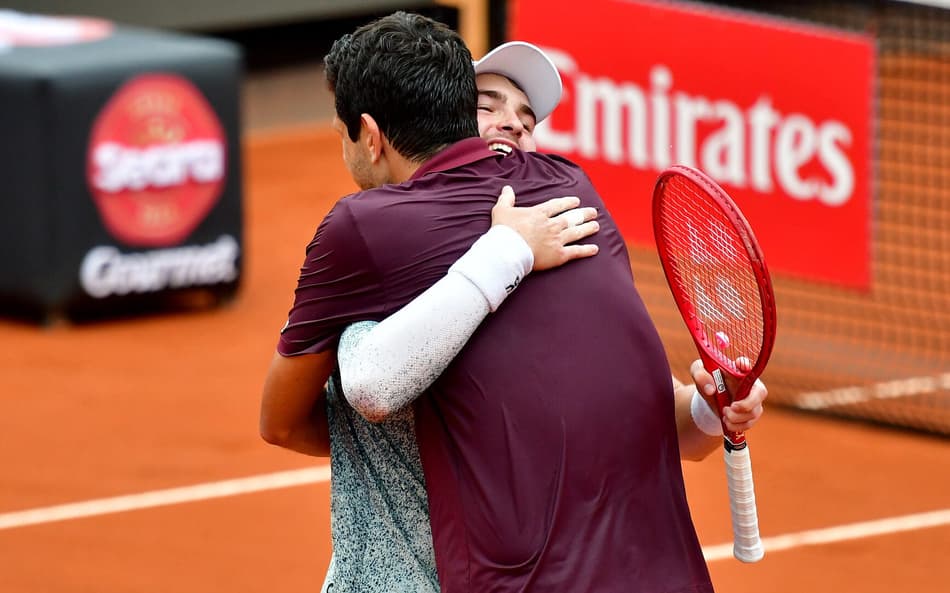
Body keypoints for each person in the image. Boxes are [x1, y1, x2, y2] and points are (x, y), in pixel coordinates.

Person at [261, 13, 764, 593]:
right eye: (487, 105)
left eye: (527, 120)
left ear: (370, 136)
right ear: (451, 116)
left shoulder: (559, 207)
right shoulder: (571, 192)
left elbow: (641, 412)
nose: (511, 125)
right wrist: (506, 253)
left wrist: (709, 409)